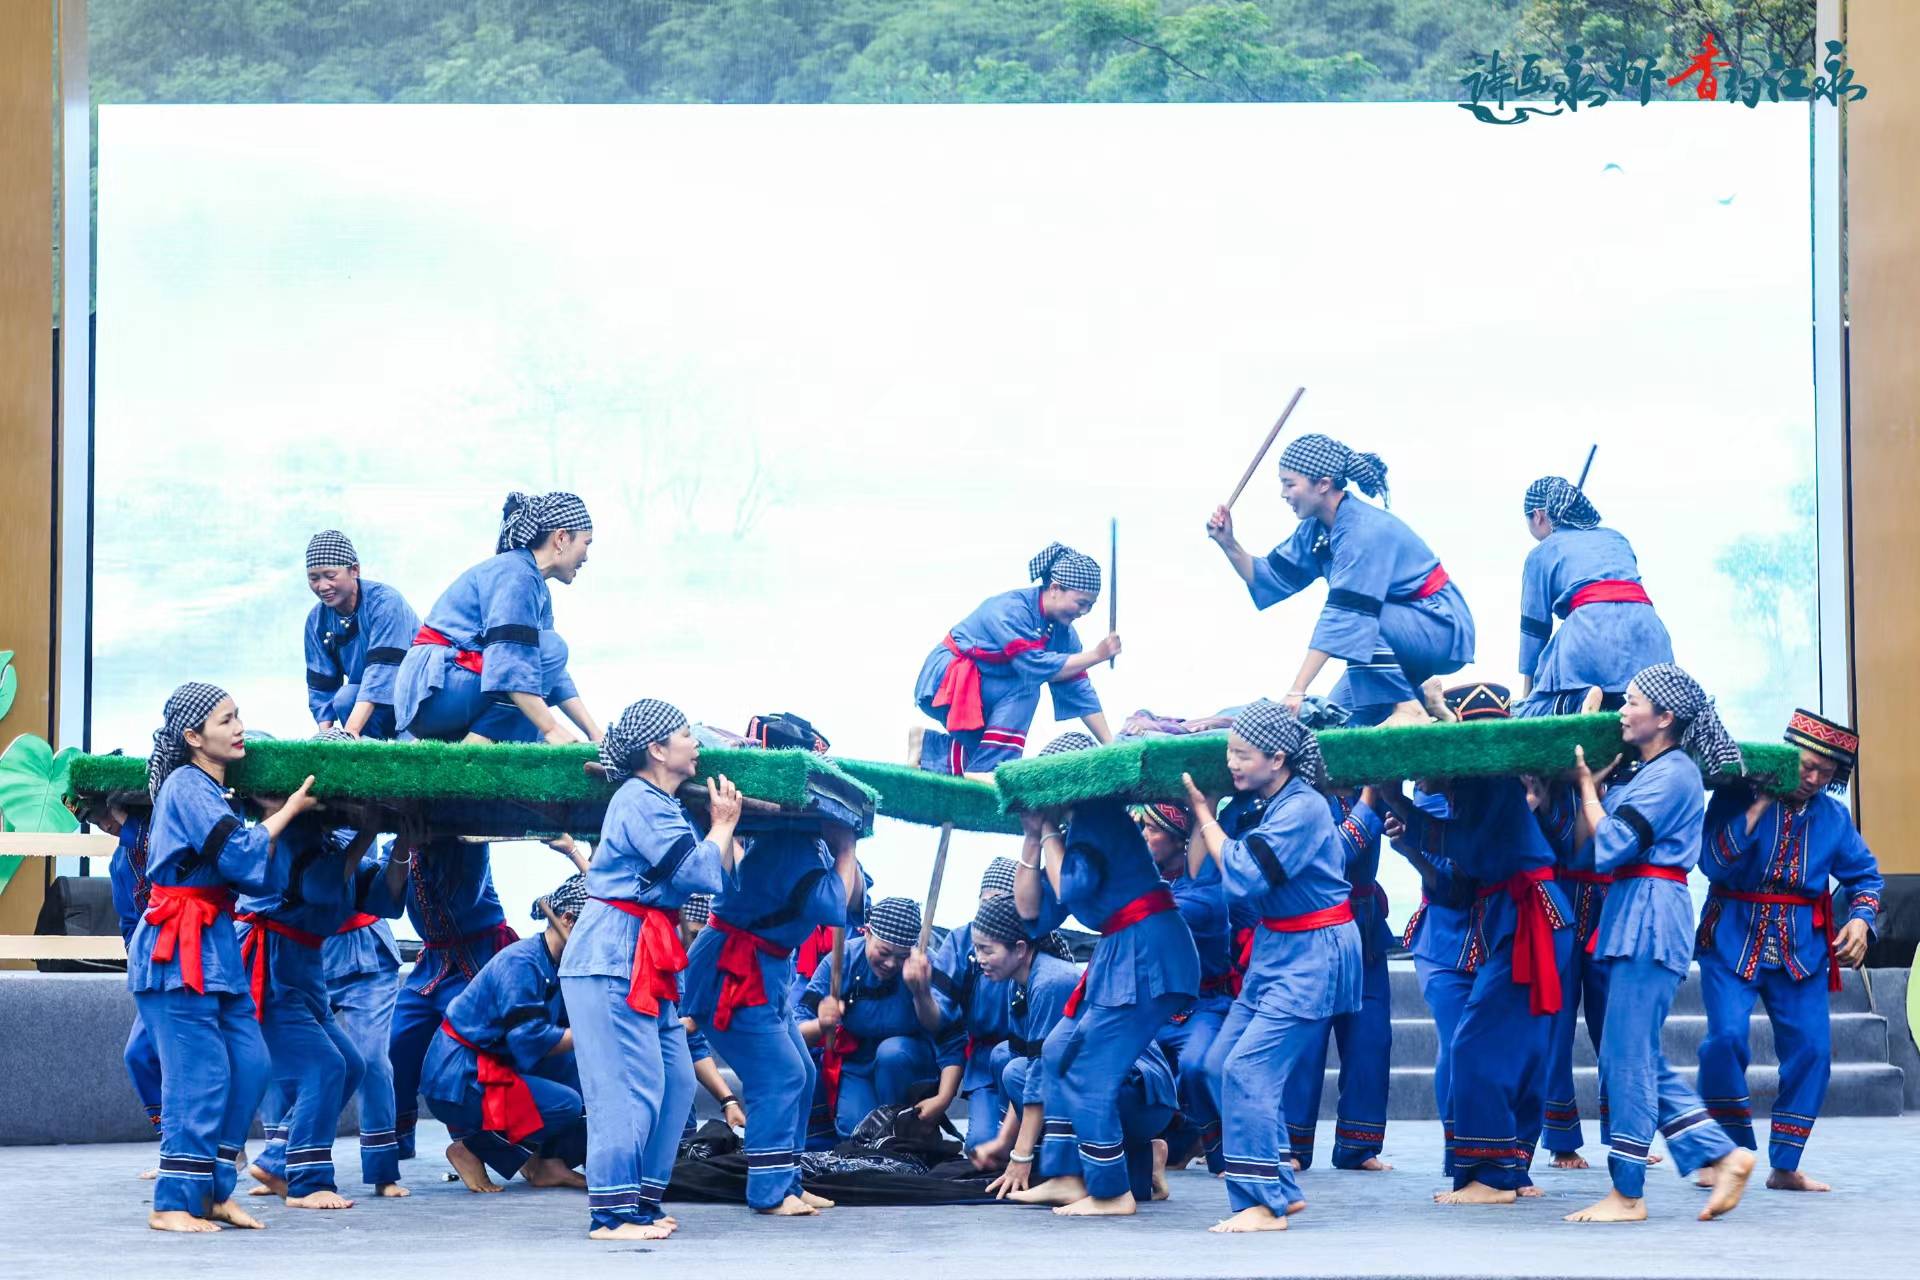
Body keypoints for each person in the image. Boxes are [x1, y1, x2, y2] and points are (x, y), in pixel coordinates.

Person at [1562, 663, 1756, 1223]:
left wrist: (1585, 789)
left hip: (1650, 914)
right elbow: (1590, 849)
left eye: (1633, 702)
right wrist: (1592, 792)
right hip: (1637, 910)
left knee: (1624, 1057)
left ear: (1665, 718)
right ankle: (1721, 1154)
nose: (1622, 711)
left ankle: (1628, 1193)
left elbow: (1617, 843)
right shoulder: (1653, 770)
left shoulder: (1672, 774)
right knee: (1636, 1052)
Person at [129, 683, 317, 1233]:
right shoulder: (187, 785)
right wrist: (286, 814)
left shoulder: (214, 791)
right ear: (193, 737)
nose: (239, 728)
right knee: (199, 1076)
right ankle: (172, 1202)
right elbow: (238, 854)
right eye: (226, 720)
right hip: (177, 946)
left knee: (251, 1063)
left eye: (239, 717)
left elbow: (249, 870)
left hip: (213, 942)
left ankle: (212, 1191)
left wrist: (270, 819)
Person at [1375, 694, 1573, 1205]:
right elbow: (1458, 879)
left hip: (1528, 917)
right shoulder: (1474, 785)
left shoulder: (1485, 779)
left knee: (1476, 1045)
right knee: (1513, 1049)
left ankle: (1491, 1177)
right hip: (1518, 918)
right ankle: (1507, 1168)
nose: (1419, 777)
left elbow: (1470, 848)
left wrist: (1394, 801)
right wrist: (1396, 805)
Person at [559, 699, 739, 1241]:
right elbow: (696, 872)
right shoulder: (639, 799)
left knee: (678, 1083)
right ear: (658, 750)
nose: (696, 742)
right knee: (626, 1088)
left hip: (649, 959)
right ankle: (609, 1214)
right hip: (611, 959)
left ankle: (640, 1201)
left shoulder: (661, 801)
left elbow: (714, 877)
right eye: (687, 733)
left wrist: (720, 830)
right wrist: (724, 824)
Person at [1180, 701, 1361, 1233]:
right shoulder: (1267, 801)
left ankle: (1263, 1203)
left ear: (1278, 758)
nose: (1232, 763)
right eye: (1229, 753)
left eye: (1243, 754)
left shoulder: (1303, 807)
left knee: (1248, 1069)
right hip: (1276, 949)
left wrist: (1205, 814)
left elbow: (1244, 874)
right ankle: (1276, 1176)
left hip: (1313, 952)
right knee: (1217, 1064)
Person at [1008, 732, 1200, 1217]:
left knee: (1089, 1070)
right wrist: (1035, 836)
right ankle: (1069, 1174)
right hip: (1123, 952)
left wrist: (1048, 833)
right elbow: (1031, 911)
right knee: (1058, 1051)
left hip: (1145, 953)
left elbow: (1070, 889)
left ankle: (1111, 1190)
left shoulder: (1096, 817)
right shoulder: (1077, 827)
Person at [1695, 709, 1882, 1192]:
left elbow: (1865, 877)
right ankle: (1726, 1152)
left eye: (1826, 771)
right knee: (1725, 1040)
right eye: (1805, 765)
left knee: (1813, 1050)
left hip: (1801, 947)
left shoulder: (1834, 819)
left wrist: (1861, 918)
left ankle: (1785, 1163)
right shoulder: (1734, 795)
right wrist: (1756, 807)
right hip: (1732, 935)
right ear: (1785, 755)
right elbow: (1711, 862)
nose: (1812, 777)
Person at [1206, 434, 1474, 726]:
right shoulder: (1315, 530)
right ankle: (1423, 698)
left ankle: (1409, 707)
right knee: (1338, 720)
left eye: (1289, 483)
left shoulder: (1362, 531)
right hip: (1384, 637)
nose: (1283, 493)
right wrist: (1228, 544)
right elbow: (1268, 577)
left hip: (1439, 627)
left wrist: (1297, 690)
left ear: (1322, 484)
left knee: (1357, 620)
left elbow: (1346, 617)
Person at [681, 818, 863, 1216]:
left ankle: (788, 1180)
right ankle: (769, 1190)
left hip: (767, 971)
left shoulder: (807, 843)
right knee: (780, 1074)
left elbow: (853, 895)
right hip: (734, 972)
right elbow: (834, 906)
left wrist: (845, 850)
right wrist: (846, 850)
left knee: (802, 1072)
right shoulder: (790, 847)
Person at [973, 896, 1178, 1206]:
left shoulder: (1051, 982)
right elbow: (1028, 1068)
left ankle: (1071, 1178)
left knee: (1020, 1073)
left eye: (987, 950)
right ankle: (1145, 1159)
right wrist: (1003, 1144)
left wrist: (1021, 1155)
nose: (979, 958)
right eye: (976, 949)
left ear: (1019, 948)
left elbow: (1039, 1077)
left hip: (1140, 1095)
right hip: (1100, 1090)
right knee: (1009, 1062)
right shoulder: (1018, 983)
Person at [236, 810, 377, 1211]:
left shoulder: (325, 838)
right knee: (325, 1066)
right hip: (272, 965)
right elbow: (322, 885)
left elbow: (380, 895)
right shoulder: (289, 832)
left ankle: (279, 1160)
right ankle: (306, 1182)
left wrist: (401, 843)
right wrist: (368, 830)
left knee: (351, 1063)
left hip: (305, 965)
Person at [421, 875, 591, 1194]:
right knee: (565, 1104)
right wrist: (598, 1032)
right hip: (461, 1075)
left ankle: (548, 1162)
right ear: (568, 920)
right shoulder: (522, 964)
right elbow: (530, 1040)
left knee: (581, 1072)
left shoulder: (559, 964)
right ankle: (472, 1149)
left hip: (499, 1063)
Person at [394, 491, 600, 745]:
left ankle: (473, 738)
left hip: (449, 691)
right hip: (434, 692)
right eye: (586, 543)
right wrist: (551, 729)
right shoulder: (516, 573)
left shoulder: (535, 584)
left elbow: (552, 672)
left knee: (546, 660)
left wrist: (594, 733)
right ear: (561, 538)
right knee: (551, 650)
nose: (587, 556)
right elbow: (511, 664)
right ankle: (478, 744)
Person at [910, 542, 1120, 776]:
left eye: (1090, 606)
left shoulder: (1065, 634)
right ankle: (988, 772)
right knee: (1027, 689)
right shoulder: (1010, 609)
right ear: (1055, 588)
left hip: (984, 688)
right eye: (1081, 603)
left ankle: (925, 748)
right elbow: (1033, 666)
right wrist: (1097, 655)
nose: (1084, 612)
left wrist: (1109, 745)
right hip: (946, 681)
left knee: (990, 746)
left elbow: (1078, 689)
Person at [387, 835, 527, 1162]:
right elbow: (388, 902)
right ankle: (399, 1138)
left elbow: (463, 899)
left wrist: (425, 850)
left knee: (471, 1051)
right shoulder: (397, 847)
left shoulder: (472, 842)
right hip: (432, 964)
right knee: (399, 1040)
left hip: (479, 961)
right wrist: (403, 850)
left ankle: (476, 1147)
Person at [1280, 784, 1395, 1172]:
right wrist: (1369, 797)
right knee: (1307, 1041)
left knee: (1371, 1039)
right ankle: (1294, 1144)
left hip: (1365, 930)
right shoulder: (1305, 800)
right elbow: (1335, 854)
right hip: (1317, 930)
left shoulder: (1378, 791)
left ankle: (1358, 1146)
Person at [1513, 478, 1673, 717]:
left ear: (1537, 515)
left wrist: (1528, 697)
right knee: (1642, 706)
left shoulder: (1541, 553)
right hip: (1649, 637)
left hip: (1590, 635)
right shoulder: (1617, 538)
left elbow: (1534, 629)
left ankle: (1576, 702)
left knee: (1534, 710)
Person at [795, 898, 949, 1143]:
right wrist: (822, 1025)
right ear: (866, 933)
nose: (891, 964)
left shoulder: (924, 964)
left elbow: (945, 1030)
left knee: (891, 1053)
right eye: (884, 952)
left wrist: (921, 992)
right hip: (857, 1062)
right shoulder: (839, 961)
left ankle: (907, 1128)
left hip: (907, 1061)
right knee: (855, 1133)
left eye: (901, 956)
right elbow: (795, 1032)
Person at [1134, 804, 1233, 1172]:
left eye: (1151, 829)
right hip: (1158, 1007)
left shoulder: (1204, 891)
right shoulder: (1152, 878)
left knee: (1195, 1065)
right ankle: (1155, 1147)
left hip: (1205, 1003)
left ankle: (1222, 1153)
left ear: (1178, 840)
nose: (1144, 836)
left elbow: (1158, 914)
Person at [322, 835, 411, 1195]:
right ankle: (282, 1161)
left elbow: (350, 865)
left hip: (368, 954)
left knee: (373, 1060)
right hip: (307, 951)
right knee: (285, 1059)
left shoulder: (359, 815)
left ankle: (382, 1169)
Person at [925, 858, 1027, 1159]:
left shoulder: (1033, 947)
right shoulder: (961, 943)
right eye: (986, 903)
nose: (990, 912)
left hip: (1027, 1061)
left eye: (1000, 904)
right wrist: (920, 991)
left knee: (1035, 1151)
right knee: (979, 1148)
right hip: (984, 1062)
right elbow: (939, 1021)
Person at [301, 530, 420, 739]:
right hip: (369, 703)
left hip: (416, 696)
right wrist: (326, 739)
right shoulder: (316, 620)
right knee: (345, 697)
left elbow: (381, 672)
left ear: (354, 570)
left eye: (330, 576)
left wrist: (351, 731)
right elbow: (321, 684)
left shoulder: (385, 603)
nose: (322, 586)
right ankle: (369, 747)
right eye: (314, 578)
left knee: (407, 756)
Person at [105, 806, 164, 1161]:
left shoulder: (165, 834)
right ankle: (175, 1143)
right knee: (139, 1054)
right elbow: (128, 923)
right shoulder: (119, 863)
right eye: (99, 822)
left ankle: (210, 1149)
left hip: (202, 952)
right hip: (156, 967)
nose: (107, 825)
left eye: (110, 815)